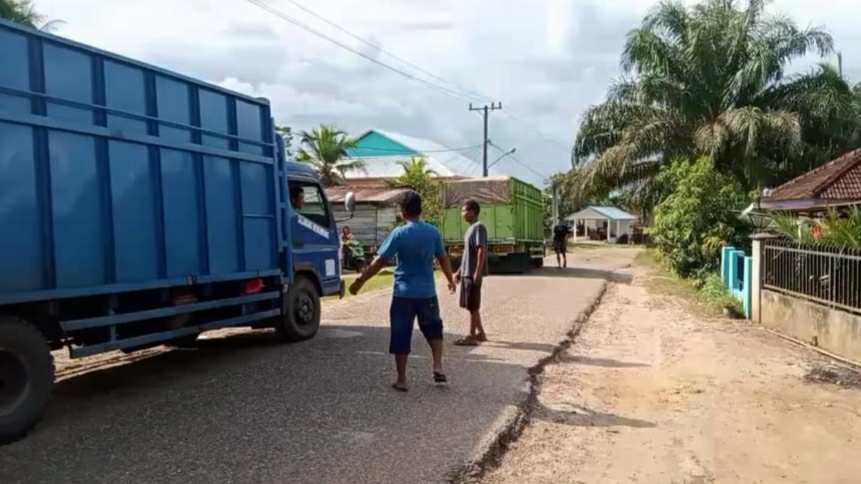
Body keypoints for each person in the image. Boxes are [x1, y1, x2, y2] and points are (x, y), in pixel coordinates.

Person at [349, 191, 457, 392]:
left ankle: (401, 379)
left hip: (403, 293)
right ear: (420, 209)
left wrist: (360, 280)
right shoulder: (433, 232)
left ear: (403, 211)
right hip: (427, 293)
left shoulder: (399, 233)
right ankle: (437, 366)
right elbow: (443, 258)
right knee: (434, 328)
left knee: (401, 333)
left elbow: (380, 261)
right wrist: (450, 279)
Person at [454, 199, 488, 346]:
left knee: (473, 305)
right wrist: (458, 271)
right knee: (471, 305)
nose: (462, 214)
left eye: (464, 210)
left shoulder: (479, 227)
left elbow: (482, 250)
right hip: (466, 272)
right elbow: (467, 254)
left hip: (473, 273)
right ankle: (480, 333)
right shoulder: (470, 229)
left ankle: (471, 335)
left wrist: (477, 273)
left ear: (473, 211)